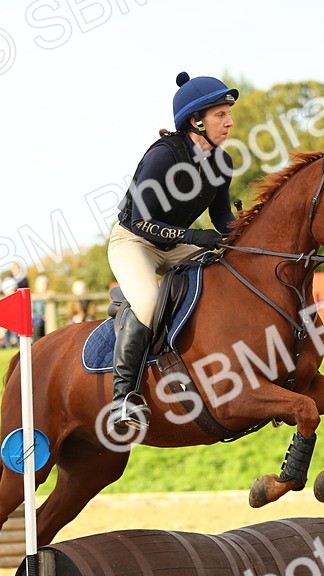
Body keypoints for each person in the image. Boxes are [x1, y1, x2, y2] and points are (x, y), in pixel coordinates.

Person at [106, 71, 239, 435]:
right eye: (220, 115)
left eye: (228, 114)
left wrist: (242, 233)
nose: (229, 121)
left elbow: (222, 216)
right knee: (148, 301)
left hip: (176, 245)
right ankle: (123, 399)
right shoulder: (164, 156)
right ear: (196, 121)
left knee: (229, 272)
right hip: (134, 242)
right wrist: (196, 236)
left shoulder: (221, 163)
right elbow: (139, 222)